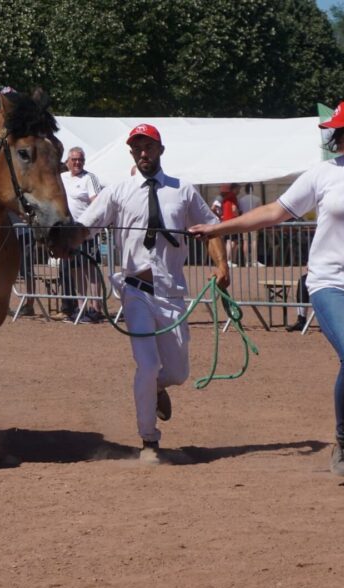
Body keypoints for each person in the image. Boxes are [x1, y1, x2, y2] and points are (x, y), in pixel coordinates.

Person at [190, 99, 344, 478]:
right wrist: (217, 228)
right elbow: (275, 211)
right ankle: (343, 438)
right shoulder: (323, 174)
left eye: (338, 130)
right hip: (329, 282)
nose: (332, 136)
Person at [68, 123, 229, 463]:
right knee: (147, 363)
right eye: (137, 148)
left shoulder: (183, 190)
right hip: (135, 291)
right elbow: (86, 226)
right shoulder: (118, 191)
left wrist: (222, 266)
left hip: (171, 293)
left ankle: (159, 388)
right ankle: (149, 442)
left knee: (178, 373)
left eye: (149, 147)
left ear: (160, 150)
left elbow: (213, 228)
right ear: (131, 153)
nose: (143, 153)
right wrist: (58, 237)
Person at [59, 147, 103, 322]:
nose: (77, 163)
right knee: (75, 270)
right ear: (68, 161)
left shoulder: (89, 178)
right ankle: (81, 306)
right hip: (68, 233)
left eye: (81, 160)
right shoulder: (61, 178)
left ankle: (96, 308)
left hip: (86, 232)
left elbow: (97, 203)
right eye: (74, 159)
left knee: (90, 270)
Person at [237, 183, 263, 266]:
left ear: (245, 190)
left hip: (244, 221)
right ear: (253, 189)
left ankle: (247, 261)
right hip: (254, 220)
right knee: (254, 241)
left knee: (245, 241)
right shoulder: (257, 199)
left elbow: (240, 211)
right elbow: (261, 211)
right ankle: (254, 261)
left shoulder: (241, 200)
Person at [217, 184, 241, 267]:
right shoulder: (233, 196)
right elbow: (234, 209)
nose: (239, 191)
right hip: (232, 221)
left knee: (229, 241)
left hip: (226, 221)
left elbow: (221, 210)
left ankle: (230, 260)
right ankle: (229, 260)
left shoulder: (225, 198)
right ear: (234, 189)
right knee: (232, 242)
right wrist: (239, 217)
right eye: (238, 189)